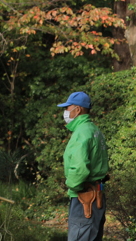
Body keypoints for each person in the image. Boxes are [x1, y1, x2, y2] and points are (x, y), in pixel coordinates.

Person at [59, 91, 109, 241]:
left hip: (84, 196)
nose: (66, 112)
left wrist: (71, 185)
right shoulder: (94, 130)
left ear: (78, 109)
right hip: (98, 193)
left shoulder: (81, 133)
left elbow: (79, 168)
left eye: (68, 108)